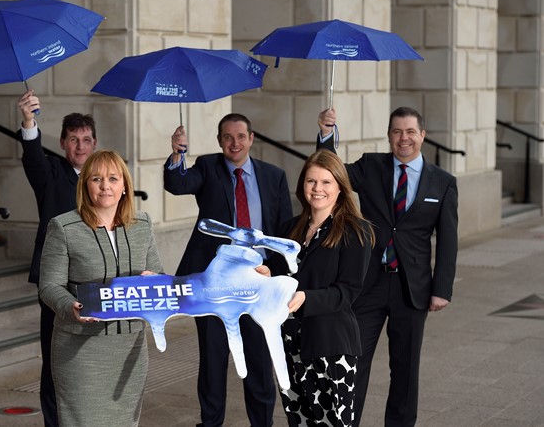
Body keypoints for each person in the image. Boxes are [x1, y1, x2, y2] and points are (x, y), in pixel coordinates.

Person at [316, 107, 459, 427]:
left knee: (406, 369)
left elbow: (448, 240)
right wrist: (326, 135)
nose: (403, 138)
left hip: (413, 289)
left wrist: (442, 289)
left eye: (410, 132)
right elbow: (332, 173)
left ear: (422, 135)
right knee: (353, 361)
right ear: (389, 135)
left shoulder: (443, 182)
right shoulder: (371, 166)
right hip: (367, 283)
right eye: (397, 132)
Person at [164, 113, 293, 427]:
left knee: (259, 361)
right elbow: (178, 184)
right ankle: (211, 423)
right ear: (220, 141)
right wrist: (177, 155)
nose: (234, 143)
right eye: (227, 137)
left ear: (251, 139)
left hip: (258, 283)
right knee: (213, 359)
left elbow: (284, 229)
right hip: (215, 285)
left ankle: (262, 422)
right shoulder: (208, 168)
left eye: (240, 136)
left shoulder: (273, 175)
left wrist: (281, 275)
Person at [39, 150, 163, 426]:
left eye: (113, 178)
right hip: (81, 349)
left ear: (124, 186)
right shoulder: (63, 227)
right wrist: (68, 306)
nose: (105, 185)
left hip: (130, 348)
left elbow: (159, 276)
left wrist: (152, 281)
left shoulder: (142, 225)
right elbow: (49, 285)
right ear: (85, 185)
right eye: (96, 178)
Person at [260, 149, 374, 426]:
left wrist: (306, 298)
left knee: (332, 422)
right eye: (311, 181)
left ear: (340, 188)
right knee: (298, 420)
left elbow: (347, 291)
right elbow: (277, 273)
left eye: (326, 182)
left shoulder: (355, 231)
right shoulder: (290, 228)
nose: (317, 189)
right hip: (289, 343)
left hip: (331, 346)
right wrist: (266, 273)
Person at [18, 89, 97, 427]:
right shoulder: (50, 174)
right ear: (64, 144)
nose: (80, 146)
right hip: (58, 283)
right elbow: (33, 158)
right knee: (55, 360)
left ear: (94, 144)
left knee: (92, 359)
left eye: (86, 139)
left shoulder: (104, 178)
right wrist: (29, 121)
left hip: (97, 280)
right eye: (73, 140)